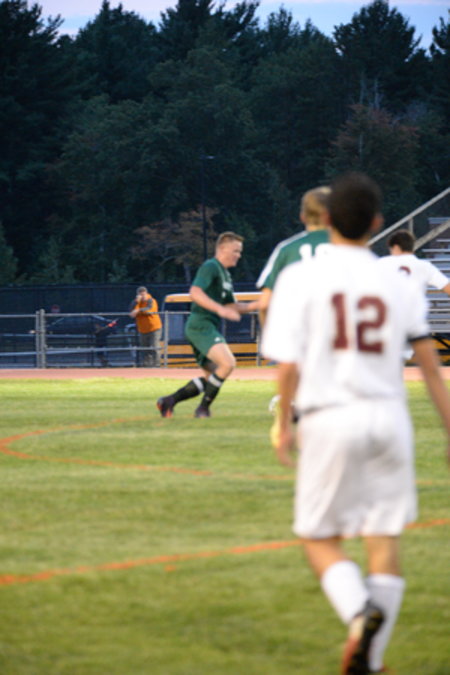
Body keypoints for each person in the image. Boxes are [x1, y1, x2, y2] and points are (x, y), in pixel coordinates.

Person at [262, 172, 450, 674]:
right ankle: (373, 660)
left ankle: (358, 611)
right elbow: (430, 366)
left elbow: (289, 365)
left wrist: (284, 421)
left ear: (326, 220)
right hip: (389, 418)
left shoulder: (302, 278)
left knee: (319, 537)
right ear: (376, 222)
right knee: (383, 540)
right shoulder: (397, 280)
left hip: (329, 417)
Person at [157, 231, 259, 418]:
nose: (238, 255)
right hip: (201, 325)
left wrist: (259, 305)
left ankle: (169, 401)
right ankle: (202, 409)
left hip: (205, 326)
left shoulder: (225, 275)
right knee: (228, 363)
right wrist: (220, 310)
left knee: (211, 376)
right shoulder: (211, 266)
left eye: (240, 252)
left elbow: (231, 305)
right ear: (222, 248)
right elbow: (195, 292)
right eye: (235, 251)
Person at [256, 186, 331, 326]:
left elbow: (265, 304)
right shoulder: (350, 250)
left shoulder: (286, 249)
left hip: (297, 332)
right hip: (338, 334)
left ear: (302, 216)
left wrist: (271, 336)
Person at [377, 229, 450, 296]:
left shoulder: (382, 263)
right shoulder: (425, 266)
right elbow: (447, 286)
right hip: (416, 306)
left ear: (396, 247)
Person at [129, 287, 162, 367]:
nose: (142, 297)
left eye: (143, 294)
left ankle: (157, 365)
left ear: (146, 294)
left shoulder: (151, 300)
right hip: (142, 329)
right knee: (144, 349)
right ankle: (147, 366)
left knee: (155, 346)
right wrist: (136, 302)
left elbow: (149, 310)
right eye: (140, 295)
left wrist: (138, 310)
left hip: (154, 328)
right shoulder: (136, 302)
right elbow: (131, 312)